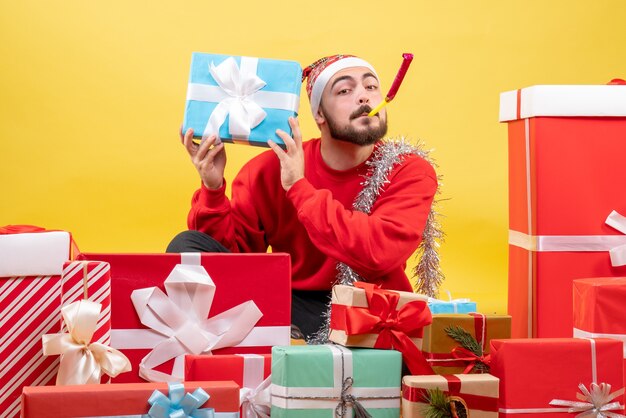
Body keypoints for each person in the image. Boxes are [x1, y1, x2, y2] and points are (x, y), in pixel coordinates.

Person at [168, 54, 438, 340]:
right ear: (319, 115)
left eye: (371, 87)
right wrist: (212, 190)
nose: (363, 98)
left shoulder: (408, 170)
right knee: (188, 246)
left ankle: (296, 346)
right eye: (345, 90)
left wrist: (299, 187)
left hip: (371, 310)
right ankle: (282, 338)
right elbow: (232, 264)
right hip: (287, 304)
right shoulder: (266, 170)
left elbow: (379, 252)